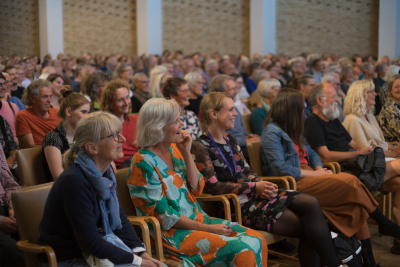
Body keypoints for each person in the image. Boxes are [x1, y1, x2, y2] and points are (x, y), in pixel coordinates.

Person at [192, 92, 343, 267]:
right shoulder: (201, 145)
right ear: (214, 114)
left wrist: (263, 185)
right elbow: (214, 187)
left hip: (253, 195)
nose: (236, 114)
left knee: (311, 203)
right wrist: (254, 187)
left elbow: (247, 172)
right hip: (235, 206)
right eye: (231, 109)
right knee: (310, 228)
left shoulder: (230, 139)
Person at [262, 88, 400, 266]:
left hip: (310, 176)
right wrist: (315, 173)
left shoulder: (292, 129)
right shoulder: (271, 132)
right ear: (290, 109)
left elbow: (312, 154)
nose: (305, 110)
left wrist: (319, 168)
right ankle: (385, 224)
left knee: (355, 207)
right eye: (301, 107)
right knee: (351, 180)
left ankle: (371, 263)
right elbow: (281, 168)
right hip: (293, 183)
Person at [127, 98, 268, 267]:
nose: (181, 125)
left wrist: (187, 152)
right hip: (171, 234)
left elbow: (197, 188)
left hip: (198, 220)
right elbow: (165, 216)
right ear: (158, 127)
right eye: (176, 121)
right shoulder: (142, 162)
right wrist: (208, 229)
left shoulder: (173, 150)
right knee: (242, 248)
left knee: (258, 239)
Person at [37, 112, 164, 267]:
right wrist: (137, 262)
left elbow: (118, 217)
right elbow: (91, 243)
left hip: (93, 253)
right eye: (114, 136)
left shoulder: (105, 174)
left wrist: (140, 253)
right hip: (68, 259)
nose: (122, 139)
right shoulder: (74, 182)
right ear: (92, 147)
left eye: (119, 133)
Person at [42, 85, 90, 181]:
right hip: (62, 189)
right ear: (68, 111)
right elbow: (59, 177)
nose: (87, 117)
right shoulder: (53, 138)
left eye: (88, 112)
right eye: (83, 112)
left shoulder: (82, 135)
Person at [209, 75, 260, 161]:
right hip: (230, 150)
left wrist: (248, 135)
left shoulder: (232, 106)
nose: (236, 91)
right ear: (219, 92)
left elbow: (240, 130)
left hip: (240, 143)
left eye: (235, 88)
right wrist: (245, 141)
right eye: (232, 89)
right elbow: (219, 139)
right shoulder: (215, 112)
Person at [101, 80, 139, 169]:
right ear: (109, 103)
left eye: (127, 97)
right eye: (120, 100)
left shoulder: (136, 120)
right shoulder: (103, 125)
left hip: (139, 165)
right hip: (117, 170)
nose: (126, 103)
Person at [16, 79, 61, 148]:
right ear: (33, 98)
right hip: (38, 157)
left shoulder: (57, 112)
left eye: (50, 96)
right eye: (45, 97)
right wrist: (54, 151)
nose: (49, 100)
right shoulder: (23, 116)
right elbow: (30, 146)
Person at [0, 143, 24, 267]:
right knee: (10, 250)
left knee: (43, 230)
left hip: (6, 205)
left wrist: (13, 207)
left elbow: (9, 184)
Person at [378, 74, 400, 142]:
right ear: (390, 89)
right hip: (394, 145)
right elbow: (398, 131)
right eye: (397, 87)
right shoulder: (390, 107)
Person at [0, 73, 19, 140]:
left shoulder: (12, 107)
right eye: (0, 84)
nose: (3, 87)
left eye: (4, 84)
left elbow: (18, 132)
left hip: (13, 147)